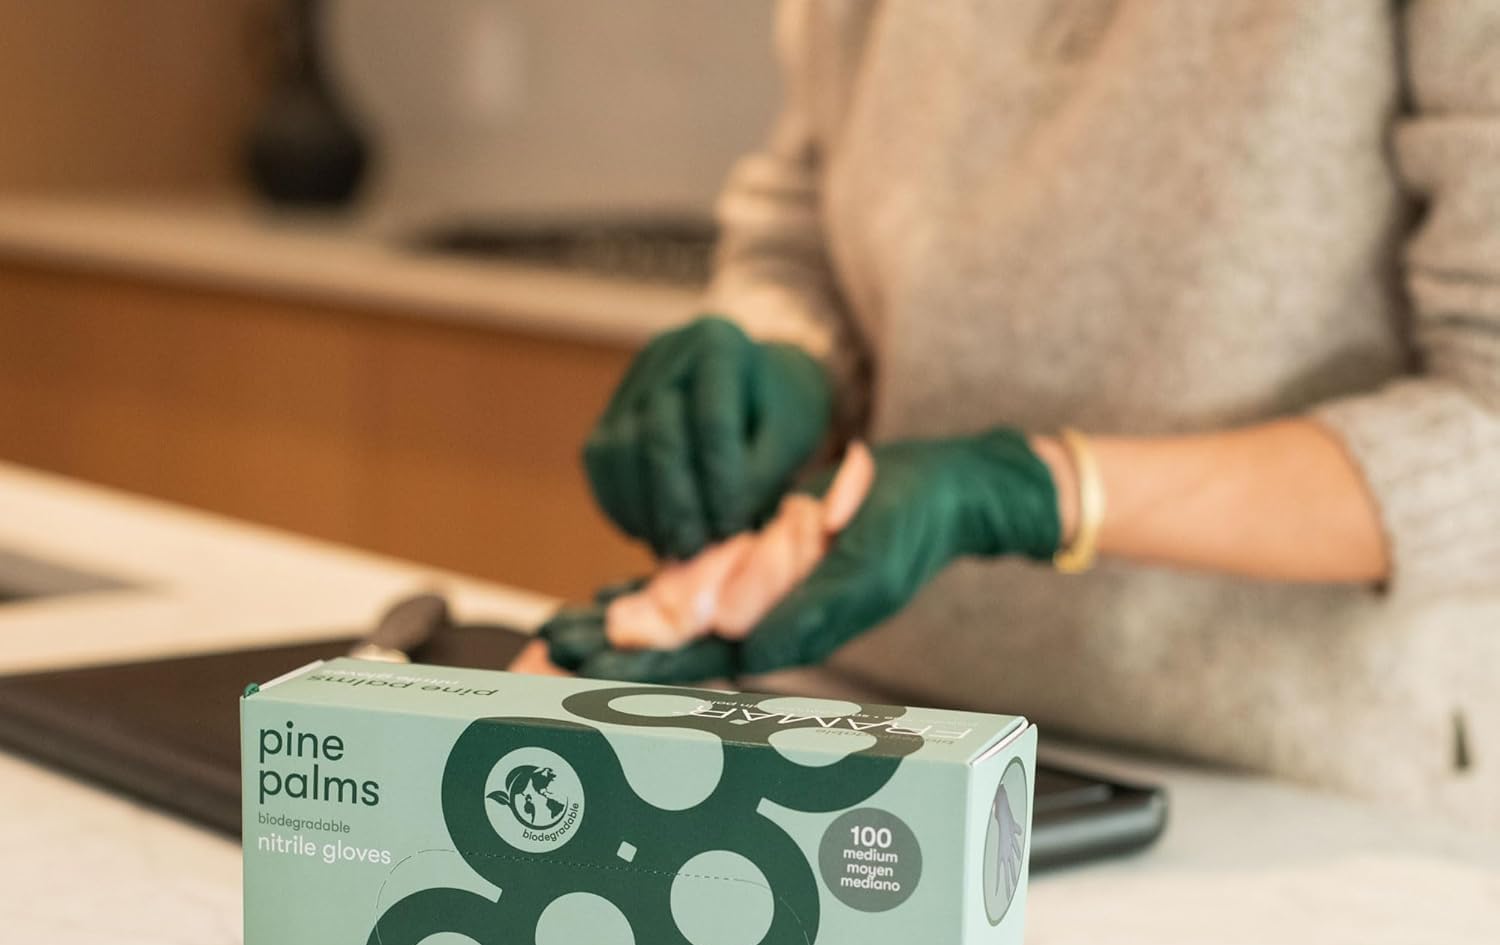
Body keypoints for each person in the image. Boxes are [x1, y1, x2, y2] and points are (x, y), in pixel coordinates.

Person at [546, 0, 1500, 821]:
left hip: (1292, 795)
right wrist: (781, 350)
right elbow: (798, 223)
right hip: (872, 724)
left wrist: (1045, 492)